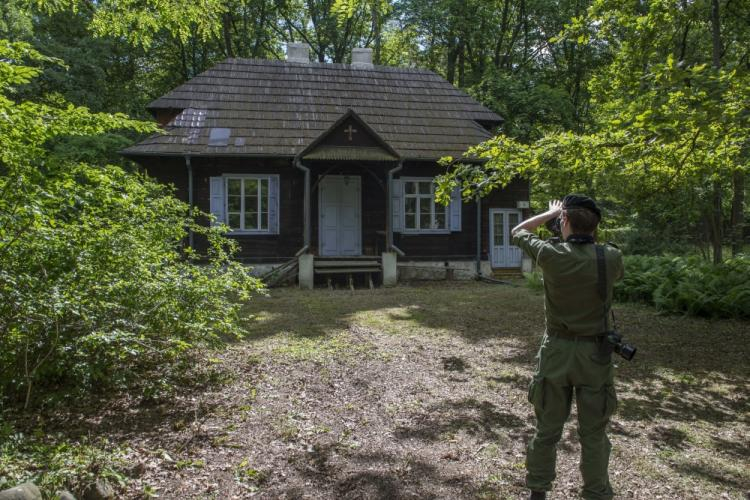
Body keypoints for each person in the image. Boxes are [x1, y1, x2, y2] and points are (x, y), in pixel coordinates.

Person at [511, 195, 624, 500]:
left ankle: (538, 491)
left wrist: (549, 213)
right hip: (594, 356)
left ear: (564, 221)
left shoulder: (550, 254)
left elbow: (518, 232)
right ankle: (596, 493)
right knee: (594, 435)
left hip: (557, 352)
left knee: (547, 430)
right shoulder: (610, 257)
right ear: (596, 226)